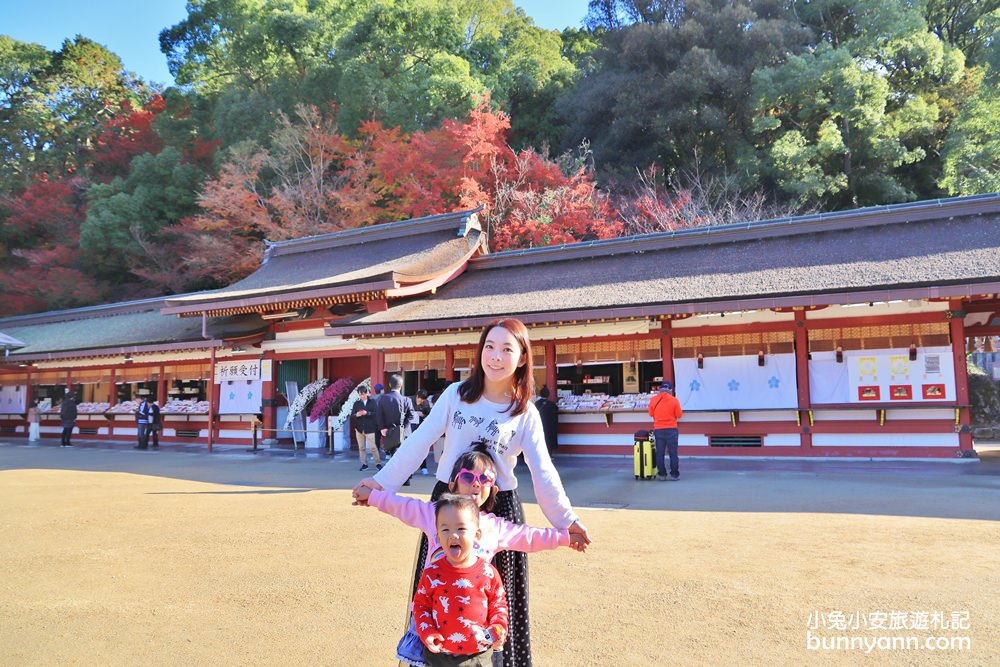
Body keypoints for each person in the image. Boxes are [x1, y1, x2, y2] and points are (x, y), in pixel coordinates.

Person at [353, 318, 592, 667]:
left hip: (498, 508)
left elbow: (543, 473)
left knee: (495, 604)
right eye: (489, 347)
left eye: (507, 349)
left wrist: (566, 520)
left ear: (523, 358)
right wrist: (380, 485)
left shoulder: (525, 412)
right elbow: (419, 443)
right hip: (448, 506)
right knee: (440, 595)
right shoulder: (455, 396)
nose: (495, 357)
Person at [353, 445, 585, 667]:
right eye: (468, 477)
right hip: (434, 622)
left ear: (494, 490)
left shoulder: (495, 527)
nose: (476, 484)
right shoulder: (433, 512)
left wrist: (566, 537)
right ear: (453, 485)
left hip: (474, 631)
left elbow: (530, 537)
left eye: (485, 479)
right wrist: (371, 496)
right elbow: (400, 505)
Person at [413, 494, 508, 667]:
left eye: (461, 529)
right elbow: (420, 606)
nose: (453, 535)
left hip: (479, 655)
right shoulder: (431, 573)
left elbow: (498, 605)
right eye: (445, 529)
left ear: (477, 535)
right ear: (438, 536)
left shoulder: (488, 572)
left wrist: (498, 627)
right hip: (439, 656)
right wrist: (427, 631)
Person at [648, 380, 683, 481]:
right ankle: (674, 475)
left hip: (658, 429)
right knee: (673, 453)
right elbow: (679, 415)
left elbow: (650, 414)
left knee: (660, 453)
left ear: (660, 389)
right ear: (670, 390)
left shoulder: (654, 400)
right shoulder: (674, 400)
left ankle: (662, 474)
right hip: (671, 428)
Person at [351, 385, 381, 471]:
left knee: (373, 447)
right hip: (359, 428)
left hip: (370, 428)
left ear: (367, 393)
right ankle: (364, 464)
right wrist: (357, 415)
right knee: (361, 447)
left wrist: (367, 413)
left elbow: (376, 413)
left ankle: (378, 463)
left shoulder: (373, 402)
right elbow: (352, 415)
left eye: (363, 394)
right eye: (360, 395)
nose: (362, 396)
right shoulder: (356, 403)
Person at [533, 387, 558, 453]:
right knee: (549, 439)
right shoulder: (551, 404)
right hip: (549, 424)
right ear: (548, 394)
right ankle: (549, 454)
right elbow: (556, 410)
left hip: (539, 424)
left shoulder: (536, 404)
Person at [414, 389, 433, 475]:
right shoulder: (410, 401)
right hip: (411, 429)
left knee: (422, 448)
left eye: (423, 400)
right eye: (420, 399)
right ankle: (411, 469)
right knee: (411, 450)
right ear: (417, 396)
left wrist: (423, 415)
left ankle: (423, 467)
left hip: (421, 428)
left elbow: (430, 416)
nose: (421, 401)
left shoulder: (426, 403)